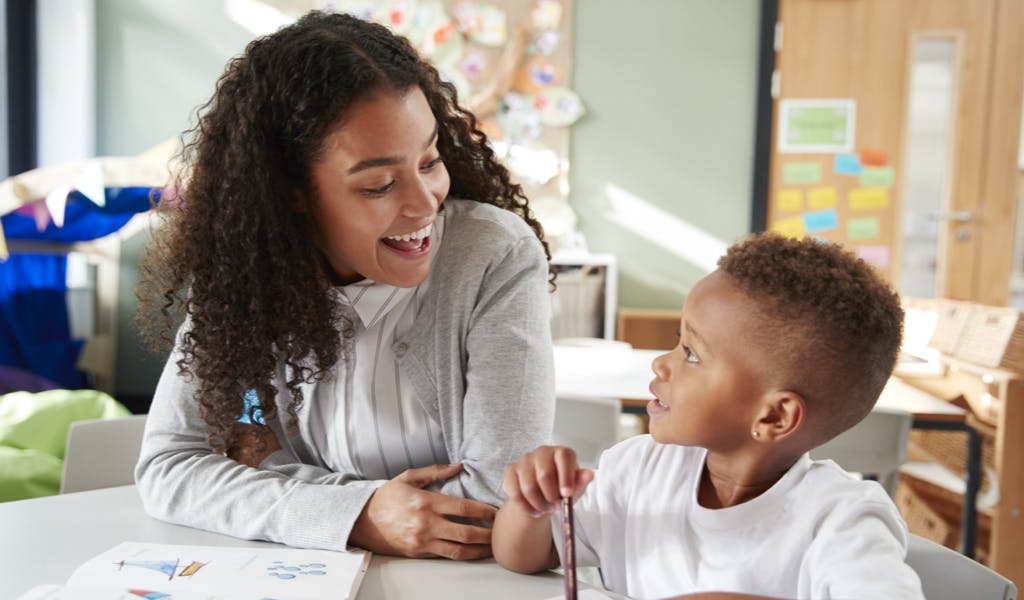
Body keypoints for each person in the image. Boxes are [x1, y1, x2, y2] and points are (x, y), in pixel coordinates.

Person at [134, 10, 555, 560]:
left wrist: (274, 487)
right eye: (379, 184)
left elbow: (496, 499)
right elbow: (170, 467)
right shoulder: (247, 273)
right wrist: (361, 513)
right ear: (292, 193)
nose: (425, 203)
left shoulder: (492, 255)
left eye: (429, 160)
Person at [493, 233, 926, 599]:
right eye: (676, 340)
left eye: (691, 354)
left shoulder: (840, 519)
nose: (662, 364)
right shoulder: (639, 470)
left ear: (774, 417)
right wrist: (530, 506)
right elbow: (524, 556)